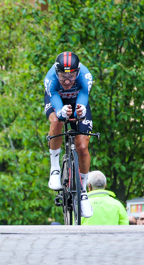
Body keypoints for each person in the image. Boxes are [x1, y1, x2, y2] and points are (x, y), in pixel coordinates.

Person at [44, 51, 95, 218]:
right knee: (57, 122)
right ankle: (55, 168)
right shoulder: (50, 79)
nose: (66, 81)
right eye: (62, 76)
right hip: (57, 100)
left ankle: (83, 190)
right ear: (56, 73)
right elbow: (57, 109)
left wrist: (80, 110)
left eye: (71, 76)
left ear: (78, 73)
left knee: (82, 146)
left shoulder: (86, 76)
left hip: (77, 100)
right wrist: (61, 112)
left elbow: (83, 97)